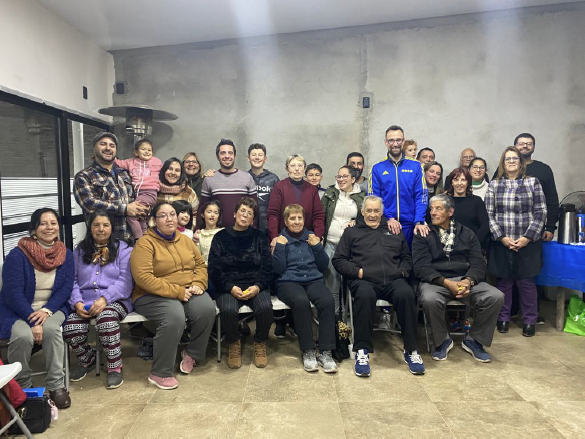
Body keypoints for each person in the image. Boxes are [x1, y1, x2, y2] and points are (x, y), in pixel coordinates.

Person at [332, 196, 425, 377]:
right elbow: (339, 260)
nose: (372, 215)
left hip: (393, 280)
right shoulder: (351, 232)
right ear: (362, 212)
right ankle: (362, 351)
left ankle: (411, 350)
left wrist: (402, 272)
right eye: (369, 210)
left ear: (382, 212)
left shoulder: (393, 230)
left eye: (376, 211)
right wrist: (358, 272)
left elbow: (407, 258)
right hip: (364, 280)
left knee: (407, 294)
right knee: (364, 296)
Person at [130, 202, 216, 390]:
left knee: (207, 309)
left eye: (172, 214)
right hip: (151, 294)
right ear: (154, 221)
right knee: (174, 316)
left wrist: (198, 283)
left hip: (186, 289)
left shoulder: (185, 240)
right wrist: (178, 292)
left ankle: (192, 353)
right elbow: (143, 278)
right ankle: (160, 372)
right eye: (163, 215)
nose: (169, 219)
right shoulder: (145, 243)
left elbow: (200, 265)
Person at [412, 194, 504, 362]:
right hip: (436, 281)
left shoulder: (467, 233)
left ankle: (474, 340)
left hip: (464, 279)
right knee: (430, 299)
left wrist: (468, 281)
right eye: (431, 209)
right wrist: (446, 283)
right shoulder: (423, 234)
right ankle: (442, 341)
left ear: (450, 212)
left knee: (495, 296)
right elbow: (421, 267)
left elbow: (478, 263)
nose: (433, 213)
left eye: (438, 209)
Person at [0, 208, 73, 409]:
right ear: (34, 228)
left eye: (53, 223)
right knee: (22, 336)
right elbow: (12, 293)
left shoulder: (66, 254)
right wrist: (33, 319)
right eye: (43, 223)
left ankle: (56, 385)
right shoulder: (17, 255)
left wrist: (47, 311)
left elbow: (66, 289)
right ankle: (23, 387)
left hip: (52, 308)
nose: (49, 227)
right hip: (18, 309)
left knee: (52, 330)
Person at [63, 210, 133, 389]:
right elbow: (72, 281)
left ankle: (114, 366)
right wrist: (77, 302)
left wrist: (104, 299)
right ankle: (88, 359)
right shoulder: (79, 252)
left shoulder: (124, 250)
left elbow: (125, 282)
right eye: (96, 225)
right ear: (90, 227)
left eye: (105, 225)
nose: (101, 229)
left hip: (116, 300)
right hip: (85, 301)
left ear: (112, 228)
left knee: (106, 320)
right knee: (70, 327)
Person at [486, 147, 546, 337]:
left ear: (521, 162)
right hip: (502, 241)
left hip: (527, 242)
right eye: (507, 159)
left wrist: (528, 237)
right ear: (502, 163)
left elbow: (541, 211)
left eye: (514, 158)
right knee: (504, 282)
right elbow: (489, 214)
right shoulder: (494, 185)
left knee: (526, 284)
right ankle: (503, 318)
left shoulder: (532, 182)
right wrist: (501, 237)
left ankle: (529, 321)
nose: (511, 161)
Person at [208, 197, 273, 369]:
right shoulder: (220, 237)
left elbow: (268, 267)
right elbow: (214, 269)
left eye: (249, 213)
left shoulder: (259, 237)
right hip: (228, 285)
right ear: (235, 214)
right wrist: (229, 287)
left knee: (265, 307)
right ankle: (233, 343)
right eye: (242, 211)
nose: (245, 215)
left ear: (253, 220)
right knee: (228, 309)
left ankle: (260, 342)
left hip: (255, 284)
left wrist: (258, 286)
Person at [273, 204, 337, 373]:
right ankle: (308, 350)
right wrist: (279, 247)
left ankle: (325, 351)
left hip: (312, 280)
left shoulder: (311, 237)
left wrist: (317, 246)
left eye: (300, 218)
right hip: (288, 282)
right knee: (301, 302)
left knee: (327, 301)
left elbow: (323, 265)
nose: (297, 222)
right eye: (292, 218)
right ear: (286, 221)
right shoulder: (281, 239)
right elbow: (277, 269)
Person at [74, 132, 149, 241]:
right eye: (103, 144)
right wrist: (125, 209)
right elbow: (91, 204)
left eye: (112, 145)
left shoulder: (125, 173)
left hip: (132, 240)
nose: (108, 148)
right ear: (94, 148)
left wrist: (143, 207)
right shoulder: (84, 176)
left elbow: (137, 195)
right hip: (105, 243)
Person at [369, 125, 428, 246]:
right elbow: (373, 198)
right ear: (386, 142)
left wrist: (419, 221)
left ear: (403, 141)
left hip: (412, 226)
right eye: (391, 140)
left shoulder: (416, 166)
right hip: (387, 225)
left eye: (398, 140)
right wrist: (389, 218)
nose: (395, 144)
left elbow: (421, 195)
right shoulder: (377, 168)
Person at [321, 165, 364, 314]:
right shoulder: (330, 193)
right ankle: (334, 317)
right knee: (331, 283)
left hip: (351, 247)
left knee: (350, 283)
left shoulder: (362, 196)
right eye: (339, 176)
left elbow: (366, 219)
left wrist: (356, 222)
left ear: (353, 179)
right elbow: (321, 215)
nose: (341, 179)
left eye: (345, 176)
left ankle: (347, 316)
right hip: (330, 243)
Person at [196, 139, 258, 230]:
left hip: (243, 232)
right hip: (217, 233)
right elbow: (202, 208)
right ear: (217, 156)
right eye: (223, 153)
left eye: (230, 153)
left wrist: (253, 230)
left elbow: (255, 209)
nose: (227, 156)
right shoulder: (209, 179)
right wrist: (198, 229)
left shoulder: (247, 178)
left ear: (234, 155)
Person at [267, 155, 326, 248]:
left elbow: (318, 216)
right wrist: (274, 236)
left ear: (304, 168)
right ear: (287, 169)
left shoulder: (311, 189)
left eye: (300, 165)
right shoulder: (279, 187)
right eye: (293, 165)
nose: (297, 169)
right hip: (284, 239)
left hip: (307, 240)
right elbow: (273, 214)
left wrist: (318, 236)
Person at [115, 139, 163, 239]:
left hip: (150, 192)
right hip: (138, 193)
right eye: (143, 149)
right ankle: (145, 237)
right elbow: (119, 163)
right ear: (136, 152)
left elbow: (166, 171)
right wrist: (111, 158)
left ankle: (139, 239)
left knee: (131, 217)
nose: (147, 152)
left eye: (149, 150)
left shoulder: (156, 162)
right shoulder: (131, 162)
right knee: (141, 217)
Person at [443, 167, 490, 249]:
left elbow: (484, 226)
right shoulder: (444, 201)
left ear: (468, 182)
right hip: (447, 247)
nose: (459, 183)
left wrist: (473, 244)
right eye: (456, 180)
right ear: (452, 183)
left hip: (472, 247)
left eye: (463, 180)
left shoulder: (477, 201)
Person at [247, 143, 279, 233]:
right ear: (248, 158)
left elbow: (278, 206)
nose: (257, 157)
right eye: (254, 155)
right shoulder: (244, 178)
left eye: (260, 155)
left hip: (268, 229)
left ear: (265, 159)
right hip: (247, 227)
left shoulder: (273, 179)